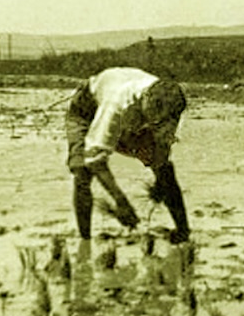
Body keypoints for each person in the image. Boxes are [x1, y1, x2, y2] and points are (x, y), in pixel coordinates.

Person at [66, 67, 190, 245]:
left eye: (161, 122)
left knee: (164, 170)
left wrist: (160, 180)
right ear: (145, 101)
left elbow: (162, 146)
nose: (159, 125)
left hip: (134, 110)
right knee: (82, 170)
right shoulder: (116, 104)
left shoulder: (171, 104)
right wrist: (121, 202)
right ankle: (85, 242)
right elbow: (94, 158)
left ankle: (183, 232)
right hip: (87, 109)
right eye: (154, 120)